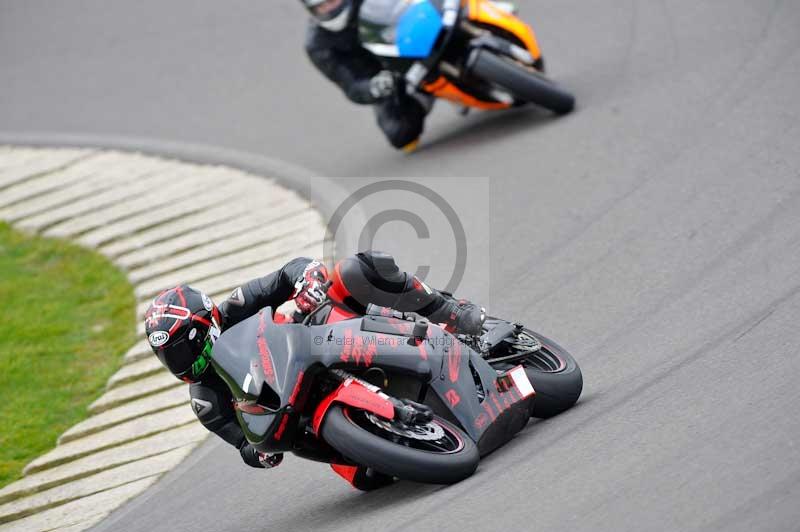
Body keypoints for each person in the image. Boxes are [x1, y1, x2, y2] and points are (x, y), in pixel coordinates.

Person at [144, 251, 484, 490]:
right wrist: (259, 453)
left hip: (318, 341)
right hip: (299, 413)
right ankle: (395, 432)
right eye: (167, 357)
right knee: (366, 479)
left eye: (181, 349)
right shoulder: (205, 400)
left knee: (354, 270)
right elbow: (242, 445)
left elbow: (288, 271)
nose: (180, 363)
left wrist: (307, 281)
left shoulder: (236, 306)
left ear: (204, 326)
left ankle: (448, 311)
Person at [300, 0, 431, 151]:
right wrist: (374, 87)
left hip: (419, 36)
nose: (329, 8)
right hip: (391, 76)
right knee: (400, 133)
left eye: (332, 0)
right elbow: (351, 85)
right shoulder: (318, 45)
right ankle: (423, 94)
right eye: (322, 6)